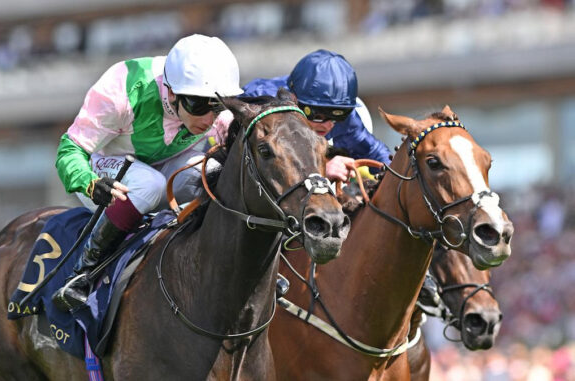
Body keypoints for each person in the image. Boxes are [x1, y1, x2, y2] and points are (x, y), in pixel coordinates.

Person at [51, 34, 243, 311]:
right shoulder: (122, 91)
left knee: (214, 171)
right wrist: (90, 184)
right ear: (172, 92)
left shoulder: (212, 101)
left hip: (167, 165)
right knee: (149, 184)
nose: (208, 119)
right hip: (107, 168)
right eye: (198, 106)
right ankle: (83, 272)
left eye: (217, 106)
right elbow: (69, 150)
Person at [241, 49, 391, 182]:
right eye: (319, 115)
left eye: (338, 116)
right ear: (293, 99)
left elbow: (377, 153)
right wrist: (322, 171)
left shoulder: (346, 121)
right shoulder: (259, 101)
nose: (328, 125)